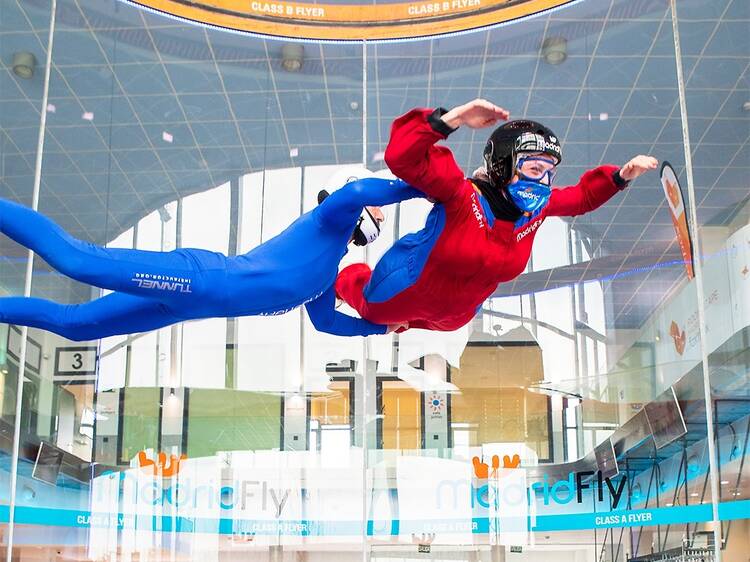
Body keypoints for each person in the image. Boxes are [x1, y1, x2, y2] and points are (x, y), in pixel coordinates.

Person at [335, 99, 658, 332]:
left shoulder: (536, 210)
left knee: (409, 324)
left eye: (550, 173)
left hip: (455, 318)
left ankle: (405, 326)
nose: (543, 182)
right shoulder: (461, 195)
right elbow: (403, 157)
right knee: (365, 303)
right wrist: (454, 118)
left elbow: (582, 197)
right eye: (534, 169)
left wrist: (620, 177)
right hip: (399, 294)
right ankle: (338, 282)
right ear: (503, 166)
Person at [0, 175, 421, 341]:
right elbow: (359, 193)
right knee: (78, 261)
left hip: (185, 306)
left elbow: (327, 322)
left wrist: (380, 329)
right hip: (199, 279)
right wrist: (419, 188)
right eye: (381, 210)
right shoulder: (330, 218)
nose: (382, 215)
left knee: (76, 326)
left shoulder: (326, 274)